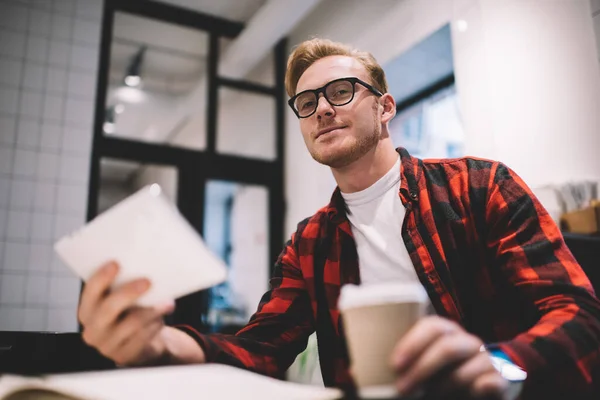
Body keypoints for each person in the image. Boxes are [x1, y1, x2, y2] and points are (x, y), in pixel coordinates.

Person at [78, 38, 600, 399]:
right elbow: (261, 347)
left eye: (341, 91)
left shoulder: (479, 185)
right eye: (306, 102)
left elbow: (577, 314)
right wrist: (165, 342)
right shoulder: (310, 242)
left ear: (386, 107)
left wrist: (498, 365)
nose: (322, 109)